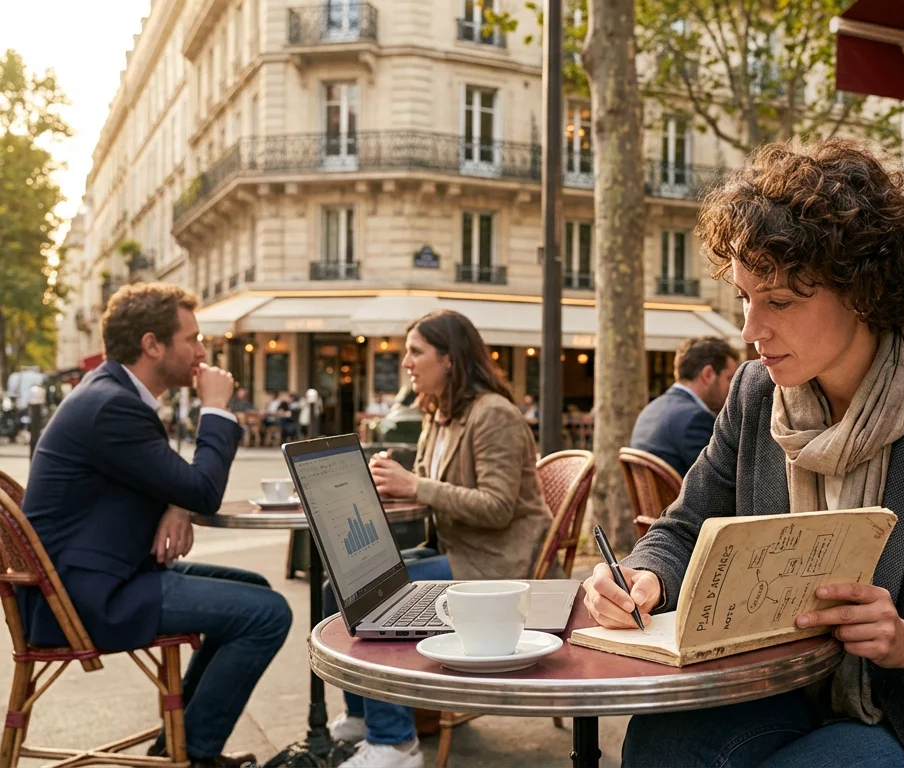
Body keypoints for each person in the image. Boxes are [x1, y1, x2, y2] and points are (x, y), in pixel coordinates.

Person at [582, 138, 904, 767]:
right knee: (661, 743)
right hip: (785, 689)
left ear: (863, 291)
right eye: (745, 298)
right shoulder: (757, 394)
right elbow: (683, 527)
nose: (750, 331)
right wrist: (643, 575)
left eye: (780, 302)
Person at [19, 283, 292, 768]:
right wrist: (215, 408)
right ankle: (196, 753)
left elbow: (180, 485)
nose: (203, 352)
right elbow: (202, 488)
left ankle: (179, 745)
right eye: (193, 338)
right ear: (152, 345)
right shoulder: (113, 406)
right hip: (84, 597)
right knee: (267, 613)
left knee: (254, 589)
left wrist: (177, 502)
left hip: (95, 578)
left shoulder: (111, 392)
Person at [325, 310, 553, 768]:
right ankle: (361, 714)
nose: (406, 362)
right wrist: (393, 483)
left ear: (449, 359)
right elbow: (429, 485)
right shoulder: (440, 415)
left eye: (416, 352)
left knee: (371, 593)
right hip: (455, 550)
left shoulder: (494, 414)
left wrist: (414, 486)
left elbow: (496, 506)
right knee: (341, 584)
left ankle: (395, 742)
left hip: (497, 566)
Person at [630, 336, 741, 476]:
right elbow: (722, 480)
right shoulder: (695, 419)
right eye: (730, 378)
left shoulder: (650, 410)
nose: (734, 388)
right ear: (708, 374)